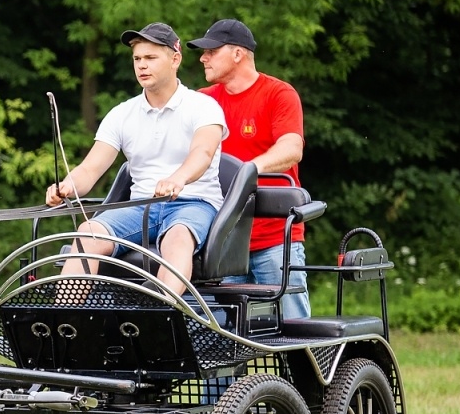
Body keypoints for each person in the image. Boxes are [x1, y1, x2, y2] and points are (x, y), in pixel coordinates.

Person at [45, 22, 227, 297]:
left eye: (151, 58)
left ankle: (162, 317)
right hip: (140, 207)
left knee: (177, 239)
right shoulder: (122, 114)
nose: (142, 65)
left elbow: (202, 153)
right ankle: (66, 323)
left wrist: (178, 179)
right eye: (137, 59)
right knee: (87, 231)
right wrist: (67, 186)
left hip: (193, 204)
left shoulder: (203, 107)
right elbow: (90, 169)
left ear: (175, 59)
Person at [188, 19, 310, 318]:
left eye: (211, 51)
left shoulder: (278, 94)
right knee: (219, 336)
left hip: (273, 238)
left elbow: (292, 149)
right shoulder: (201, 100)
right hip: (222, 242)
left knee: (293, 329)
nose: (203, 58)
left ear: (238, 54)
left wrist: (247, 170)